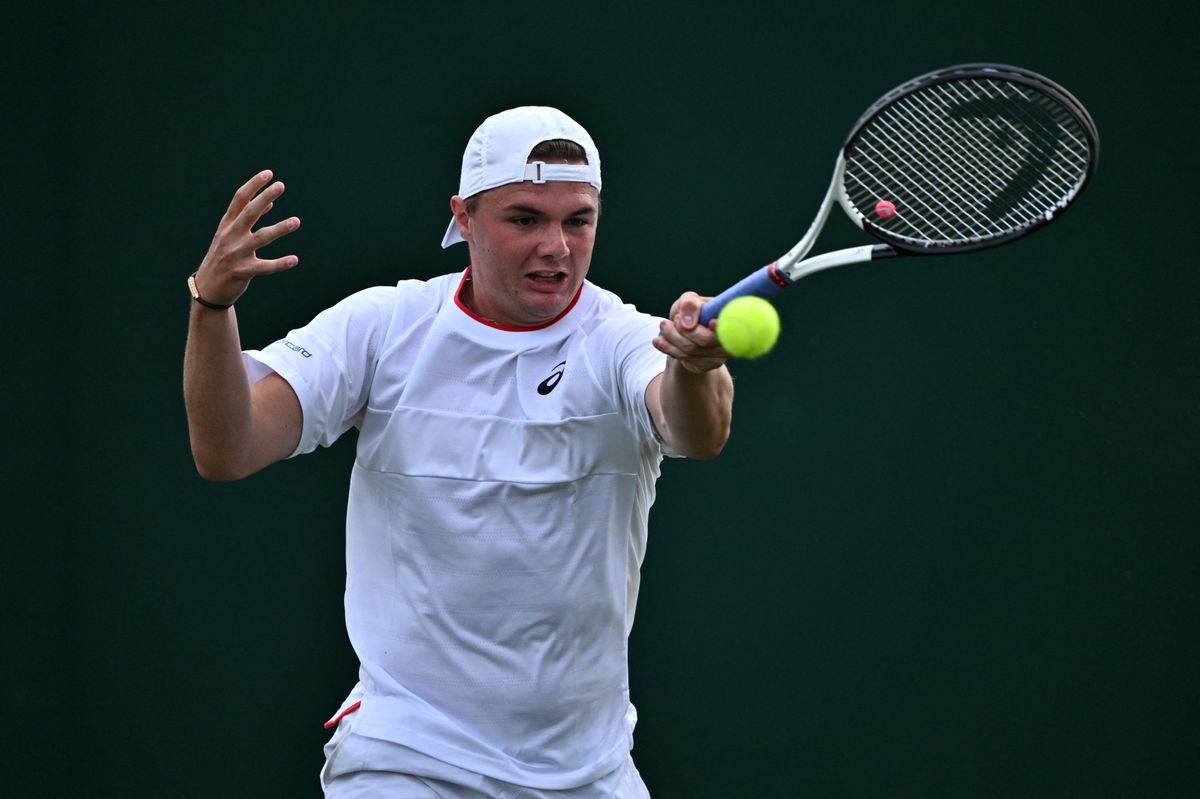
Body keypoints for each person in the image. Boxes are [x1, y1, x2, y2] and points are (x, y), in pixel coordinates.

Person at [183, 106, 734, 798]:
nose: (557, 247)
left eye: (578, 220)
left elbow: (695, 431)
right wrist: (211, 308)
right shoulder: (383, 327)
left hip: (590, 772)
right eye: (525, 219)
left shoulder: (622, 338)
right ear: (464, 217)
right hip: (406, 756)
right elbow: (227, 448)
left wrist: (697, 365)